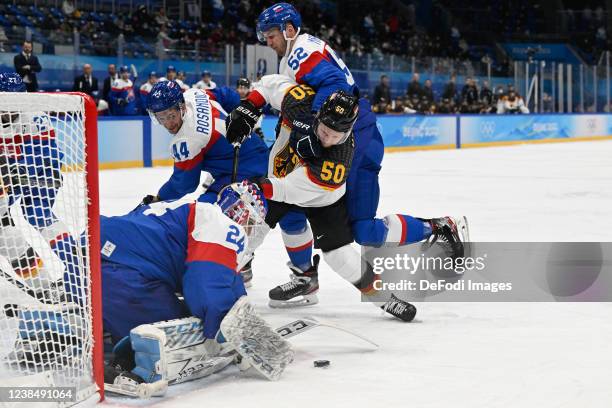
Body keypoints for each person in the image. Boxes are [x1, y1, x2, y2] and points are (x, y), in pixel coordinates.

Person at [232, 75, 468, 320]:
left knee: (340, 256)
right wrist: (249, 106)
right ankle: (219, 286)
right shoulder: (300, 102)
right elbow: (270, 85)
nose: (328, 139)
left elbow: (293, 190)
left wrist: (262, 188)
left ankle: (385, 299)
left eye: (336, 135)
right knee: (246, 236)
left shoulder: (339, 159)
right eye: (324, 130)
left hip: (320, 198)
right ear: (318, 114)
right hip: (277, 182)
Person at [0, 72, 84, 306]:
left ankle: (76, 268)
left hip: (41, 174)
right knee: (5, 228)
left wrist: (19, 169)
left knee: (37, 214)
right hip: (8, 178)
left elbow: (48, 157)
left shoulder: (34, 118)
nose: (9, 109)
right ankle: (45, 283)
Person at [141, 80, 269, 209]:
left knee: (203, 215)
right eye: (161, 118)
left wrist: (160, 197)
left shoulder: (186, 139)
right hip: (257, 150)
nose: (168, 124)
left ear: (182, 107)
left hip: (246, 170)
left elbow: (185, 184)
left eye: (171, 116)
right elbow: (228, 95)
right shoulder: (195, 94)